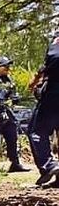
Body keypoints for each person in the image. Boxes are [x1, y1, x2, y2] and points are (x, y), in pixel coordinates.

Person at [29, 33, 59, 187]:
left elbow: (51, 61)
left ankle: (49, 165)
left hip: (54, 92)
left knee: (37, 131)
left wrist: (37, 81)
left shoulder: (56, 44)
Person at [0, 56, 29, 173]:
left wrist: (15, 98)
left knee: (12, 137)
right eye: (5, 66)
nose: (7, 68)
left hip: (8, 113)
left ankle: (15, 163)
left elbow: (12, 96)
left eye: (8, 66)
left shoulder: (8, 80)